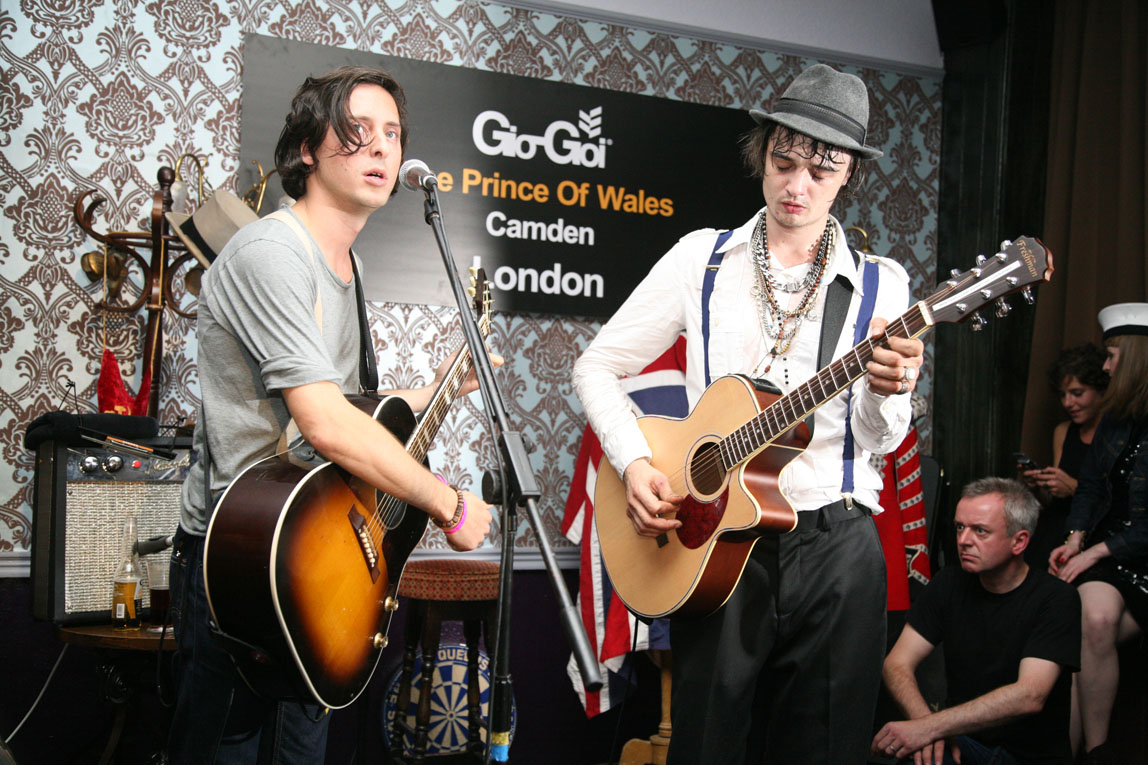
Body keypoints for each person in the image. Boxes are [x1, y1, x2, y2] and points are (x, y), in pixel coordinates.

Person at [572, 63, 924, 764]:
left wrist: (889, 389)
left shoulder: (882, 283)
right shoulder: (700, 260)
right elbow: (596, 365)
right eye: (784, 161)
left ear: (848, 173)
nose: (798, 186)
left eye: (820, 172)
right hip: (720, 542)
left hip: (838, 542)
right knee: (706, 744)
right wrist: (635, 462)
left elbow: (880, 440)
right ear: (762, 152)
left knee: (822, 747)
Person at [167, 66, 495, 763]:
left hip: (316, 560)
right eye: (358, 133)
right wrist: (448, 501)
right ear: (309, 149)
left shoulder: (349, 266)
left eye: (393, 136)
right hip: (243, 558)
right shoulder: (272, 253)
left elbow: (352, 408)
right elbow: (322, 423)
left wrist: (441, 386)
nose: (383, 150)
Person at [873, 478, 1081, 764]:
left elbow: (1030, 694)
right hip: (963, 743)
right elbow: (896, 663)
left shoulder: (1057, 598)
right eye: (960, 527)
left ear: (1019, 541)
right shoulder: (948, 583)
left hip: (1027, 756)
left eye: (980, 531)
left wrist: (930, 727)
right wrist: (926, 728)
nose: (963, 540)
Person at [1049, 302, 1148, 764]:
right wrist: (1074, 539)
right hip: (1113, 556)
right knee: (1094, 620)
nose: (1105, 366)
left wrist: (1091, 555)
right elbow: (1088, 487)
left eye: (1111, 356)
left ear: (1134, 356)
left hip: (1138, 555)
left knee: (1085, 646)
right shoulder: (1114, 417)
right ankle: (1095, 753)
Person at [1020, 343, 1109, 567]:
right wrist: (1039, 485)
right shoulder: (1063, 431)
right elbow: (1053, 500)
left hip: (1097, 531)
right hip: (1056, 525)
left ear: (1101, 390)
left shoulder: (1115, 435)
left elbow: (1122, 504)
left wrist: (1073, 487)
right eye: (1063, 395)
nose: (1069, 403)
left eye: (1078, 394)